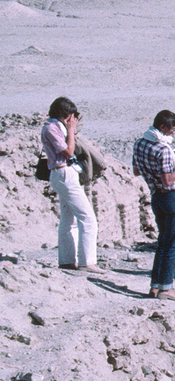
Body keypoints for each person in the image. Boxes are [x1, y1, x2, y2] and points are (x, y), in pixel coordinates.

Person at [133, 110, 175, 300]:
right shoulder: (163, 150)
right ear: (162, 127)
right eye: (172, 129)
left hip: (156, 196)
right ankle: (166, 287)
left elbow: (136, 170)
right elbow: (168, 181)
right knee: (171, 243)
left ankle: (155, 286)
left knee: (162, 242)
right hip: (170, 196)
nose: (174, 132)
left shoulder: (140, 143)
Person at [41, 97, 98, 272]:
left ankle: (66, 261)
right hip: (63, 172)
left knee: (69, 219)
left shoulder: (57, 126)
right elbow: (68, 151)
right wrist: (71, 130)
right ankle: (87, 262)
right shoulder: (51, 128)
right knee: (87, 218)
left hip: (66, 173)